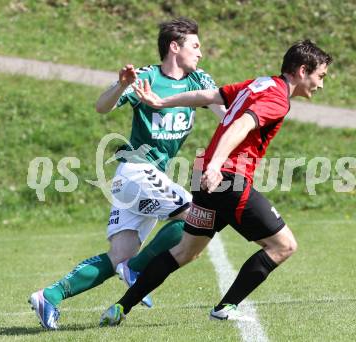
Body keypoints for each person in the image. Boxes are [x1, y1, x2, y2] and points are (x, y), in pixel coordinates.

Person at [99, 39, 333, 326]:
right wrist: (215, 165)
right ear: (302, 70)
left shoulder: (261, 84)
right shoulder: (277, 98)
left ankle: (120, 308)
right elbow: (241, 125)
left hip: (206, 178)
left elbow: (208, 95)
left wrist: (163, 102)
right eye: (320, 76)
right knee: (283, 246)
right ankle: (226, 307)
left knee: (185, 251)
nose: (321, 84)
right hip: (227, 179)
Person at [28, 17, 226, 330]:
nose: (200, 53)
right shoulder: (145, 77)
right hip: (136, 170)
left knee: (119, 254)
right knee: (195, 216)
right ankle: (135, 269)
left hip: (146, 179)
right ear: (174, 47)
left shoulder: (198, 81)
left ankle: (49, 296)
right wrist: (121, 84)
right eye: (195, 46)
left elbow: (225, 116)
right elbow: (101, 106)